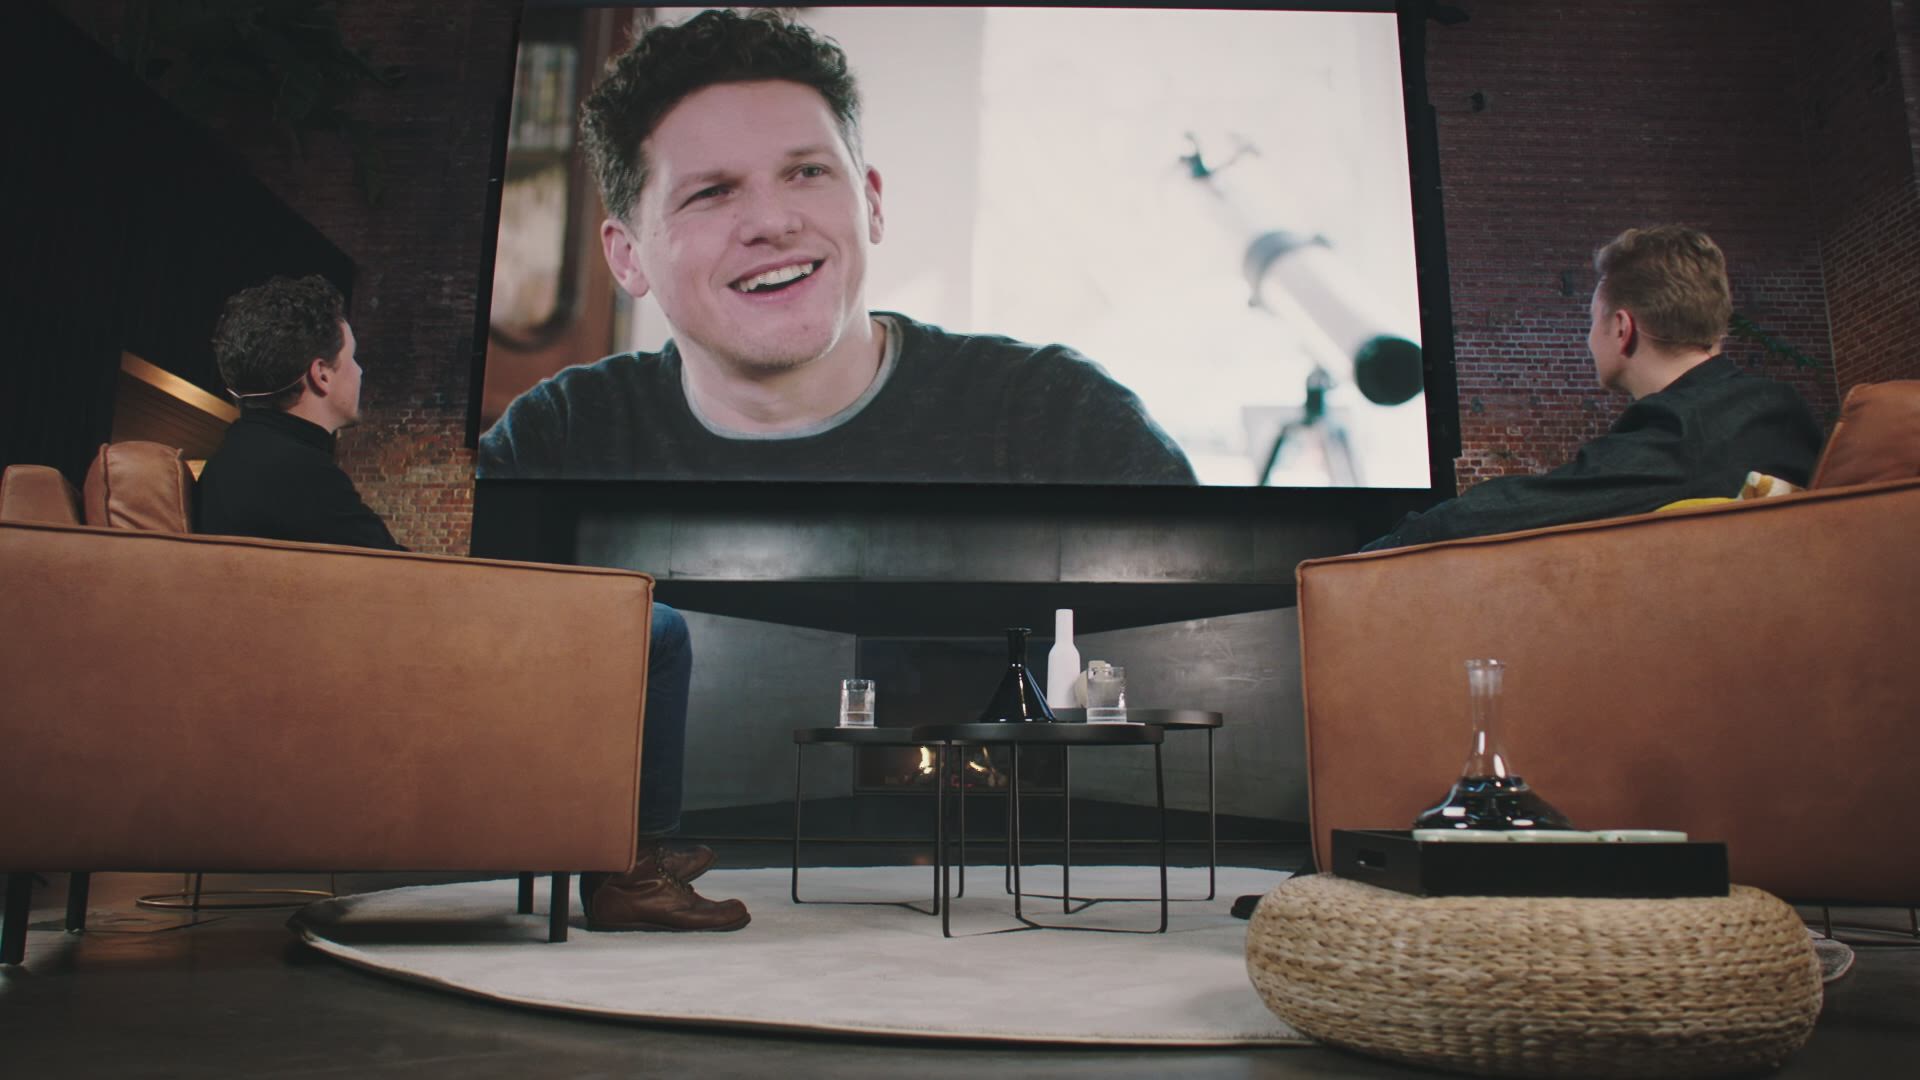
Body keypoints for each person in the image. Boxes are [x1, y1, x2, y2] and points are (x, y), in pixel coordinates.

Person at [198, 275, 747, 932]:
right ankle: (638, 868)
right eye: (353, 357)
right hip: (406, 687)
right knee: (658, 629)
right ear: (320, 374)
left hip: (379, 672)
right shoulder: (292, 475)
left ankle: (630, 852)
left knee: (633, 623)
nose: (360, 372)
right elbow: (409, 598)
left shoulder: (248, 463)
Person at [478, 8, 1195, 485]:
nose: (773, 221)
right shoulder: (557, 440)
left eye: (808, 173)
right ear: (627, 255)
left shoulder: (1060, 420)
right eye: (712, 192)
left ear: (871, 201)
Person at [1361, 225, 1822, 551]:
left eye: (1591, 321)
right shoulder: (1781, 412)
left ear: (1622, 328)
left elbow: (1521, 509)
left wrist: (1384, 548)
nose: (1588, 338)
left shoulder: (1686, 434)